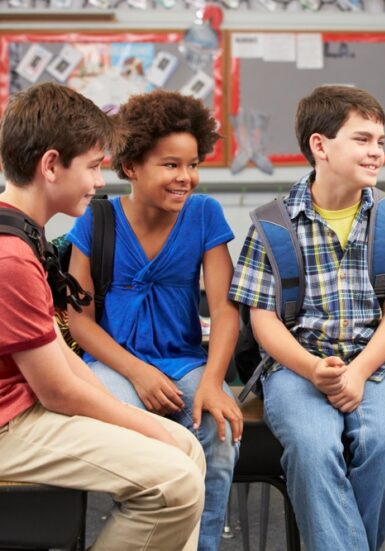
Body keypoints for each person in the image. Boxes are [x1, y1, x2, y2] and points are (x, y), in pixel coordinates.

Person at [0, 82, 205, 550]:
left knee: (186, 447)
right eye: (93, 167)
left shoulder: (23, 237)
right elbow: (58, 389)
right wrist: (143, 425)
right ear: (51, 165)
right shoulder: (10, 256)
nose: (99, 181)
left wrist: (141, 425)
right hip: (9, 425)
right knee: (174, 480)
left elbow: (61, 356)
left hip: (25, 409)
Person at [229, 85, 385, 551]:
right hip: (296, 366)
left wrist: (358, 371)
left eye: (380, 140)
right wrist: (312, 369)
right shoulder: (273, 224)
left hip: (375, 363)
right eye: (362, 139)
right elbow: (264, 322)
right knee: (314, 448)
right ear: (320, 145)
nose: (377, 152)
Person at [66, 90, 242, 551]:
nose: (186, 177)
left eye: (193, 164)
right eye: (170, 165)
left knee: (219, 431)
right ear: (131, 168)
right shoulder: (97, 219)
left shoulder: (204, 214)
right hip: (112, 363)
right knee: (133, 438)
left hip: (184, 361)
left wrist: (213, 382)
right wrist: (137, 371)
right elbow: (78, 321)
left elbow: (224, 309)